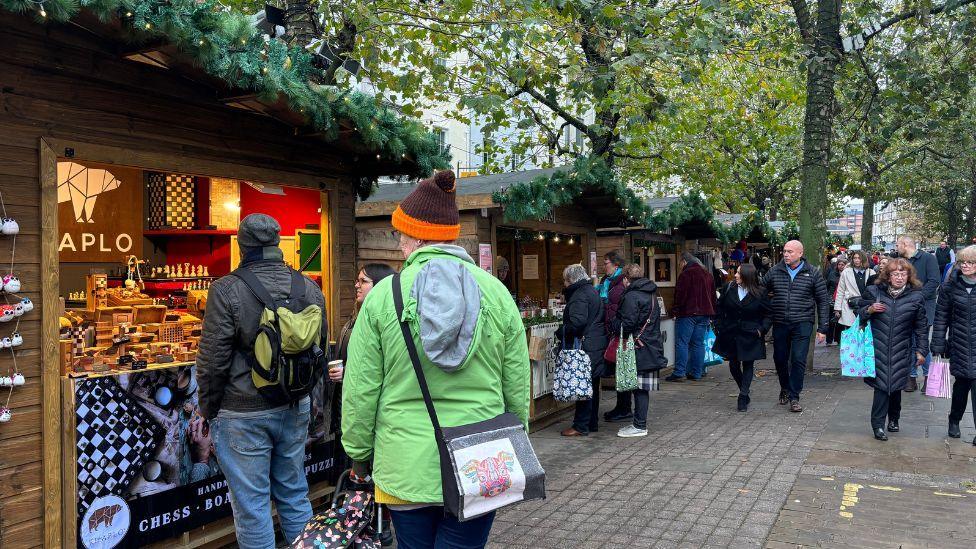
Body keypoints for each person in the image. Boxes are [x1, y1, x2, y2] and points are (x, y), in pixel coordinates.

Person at [341, 170, 530, 548]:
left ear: (412, 237)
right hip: (480, 455)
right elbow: (516, 381)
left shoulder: (382, 297)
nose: (398, 244)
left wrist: (358, 453)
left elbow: (361, 387)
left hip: (405, 462)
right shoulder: (496, 292)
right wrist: (515, 433)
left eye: (399, 234)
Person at [197, 213, 328, 549]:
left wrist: (209, 410)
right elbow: (319, 353)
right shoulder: (309, 287)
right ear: (276, 243)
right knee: (295, 493)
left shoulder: (226, 289)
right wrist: (307, 402)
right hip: (294, 406)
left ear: (242, 245)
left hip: (242, 413)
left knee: (253, 507)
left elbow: (213, 361)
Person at [858, 259, 928, 441]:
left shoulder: (916, 297)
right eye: (895, 274)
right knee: (881, 387)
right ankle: (878, 425)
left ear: (909, 276)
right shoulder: (874, 291)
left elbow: (921, 327)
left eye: (903, 274)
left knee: (896, 386)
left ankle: (894, 419)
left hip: (902, 348)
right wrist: (870, 309)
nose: (899, 277)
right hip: (877, 348)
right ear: (888, 276)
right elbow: (860, 314)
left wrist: (921, 350)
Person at [764, 240, 829, 412]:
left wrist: (823, 328)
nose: (785, 254)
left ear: (800, 253)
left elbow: (823, 301)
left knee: (798, 359)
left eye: (790, 252)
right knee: (779, 359)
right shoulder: (774, 271)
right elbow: (761, 292)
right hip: (780, 322)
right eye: (784, 251)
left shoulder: (813, 272)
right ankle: (784, 387)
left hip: (803, 322)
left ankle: (794, 396)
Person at [609, 264, 667, 437]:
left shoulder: (632, 296)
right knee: (641, 387)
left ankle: (639, 425)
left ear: (627, 279)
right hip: (650, 345)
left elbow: (626, 324)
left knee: (639, 388)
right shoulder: (651, 293)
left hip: (638, 347)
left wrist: (613, 323)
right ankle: (638, 423)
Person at [931, 245, 976, 444]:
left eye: (970, 262)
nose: (965, 266)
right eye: (962, 262)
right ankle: (954, 420)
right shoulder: (950, 286)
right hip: (959, 344)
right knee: (961, 387)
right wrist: (938, 343)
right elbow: (941, 317)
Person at [713, 263, 772, 412]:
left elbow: (768, 314)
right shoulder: (728, 288)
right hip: (731, 333)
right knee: (733, 365)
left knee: (748, 364)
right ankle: (744, 390)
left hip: (750, 334)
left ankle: (743, 395)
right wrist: (719, 326)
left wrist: (761, 330)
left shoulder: (760, 292)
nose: (736, 275)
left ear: (747, 275)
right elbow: (719, 308)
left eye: (739, 273)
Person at [559, 263, 609, 437]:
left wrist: (562, 331)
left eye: (565, 281)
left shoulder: (579, 295)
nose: (564, 284)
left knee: (583, 386)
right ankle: (591, 422)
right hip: (595, 344)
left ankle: (580, 425)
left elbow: (577, 323)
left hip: (585, 347)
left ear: (571, 280)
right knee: (592, 386)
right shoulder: (591, 291)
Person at [897, 236, 940, 392]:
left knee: (921, 342)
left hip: (924, 308)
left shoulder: (928, 258)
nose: (896, 247)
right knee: (909, 342)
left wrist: (918, 297)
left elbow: (935, 281)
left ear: (905, 244)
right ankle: (912, 377)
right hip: (905, 307)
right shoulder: (901, 261)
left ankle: (929, 377)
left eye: (897, 244)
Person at [666, 252, 716, 382]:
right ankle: (696, 372)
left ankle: (679, 372)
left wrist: (674, 310)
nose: (680, 266)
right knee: (698, 344)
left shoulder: (686, 274)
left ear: (684, 261)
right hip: (704, 314)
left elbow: (680, 296)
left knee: (682, 342)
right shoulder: (707, 274)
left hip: (688, 314)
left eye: (680, 264)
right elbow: (713, 296)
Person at [601, 250, 632, 423]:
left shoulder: (620, 283)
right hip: (611, 331)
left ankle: (624, 408)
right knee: (618, 371)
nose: (603, 266)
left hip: (618, 332)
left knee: (622, 370)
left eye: (606, 262)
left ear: (616, 264)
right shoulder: (608, 281)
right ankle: (622, 407)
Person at [834, 251, 875, 336]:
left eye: (859, 258)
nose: (856, 260)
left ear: (863, 259)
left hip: (866, 306)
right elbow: (840, 290)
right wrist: (837, 308)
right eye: (854, 258)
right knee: (850, 332)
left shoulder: (871, 272)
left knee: (865, 333)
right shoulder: (846, 272)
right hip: (850, 306)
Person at [825, 254, 848, 345]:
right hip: (832, 300)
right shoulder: (832, 274)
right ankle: (829, 340)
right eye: (839, 264)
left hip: (842, 299)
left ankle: (838, 340)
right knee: (831, 320)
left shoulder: (847, 274)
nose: (840, 266)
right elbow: (827, 285)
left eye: (842, 264)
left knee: (840, 321)